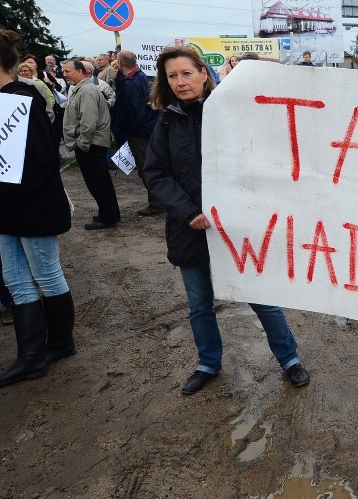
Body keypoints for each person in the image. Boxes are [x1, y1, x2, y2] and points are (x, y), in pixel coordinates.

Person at [144, 45, 311, 395]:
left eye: (186, 73)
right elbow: (157, 174)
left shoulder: (234, 112)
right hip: (190, 228)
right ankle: (208, 363)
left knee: (261, 298)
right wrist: (188, 212)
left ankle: (289, 358)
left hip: (237, 228)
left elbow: (262, 162)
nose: (179, 81)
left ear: (204, 74)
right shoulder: (168, 120)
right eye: (172, 76)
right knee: (200, 305)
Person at [0, 29, 76, 387]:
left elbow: (42, 161)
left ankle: (60, 343)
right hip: (6, 209)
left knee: (46, 275)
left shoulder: (20, 100)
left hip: (33, 206)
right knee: (16, 281)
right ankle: (31, 357)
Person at [62, 59, 121, 230]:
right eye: (63, 71)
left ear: (80, 71)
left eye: (68, 71)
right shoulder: (82, 89)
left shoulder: (86, 91)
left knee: (97, 182)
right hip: (91, 144)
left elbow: (88, 122)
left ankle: (107, 217)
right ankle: (110, 213)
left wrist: (82, 144)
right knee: (101, 181)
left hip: (90, 145)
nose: (65, 74)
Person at [112, 50, 164, 216]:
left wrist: (129, 132)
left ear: (120, 64)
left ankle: (157, 203)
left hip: (140, 134)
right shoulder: (140, 76)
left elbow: (136, 113)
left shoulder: (132, 83)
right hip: (145, 131)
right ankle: (158, 201)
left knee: (146, 168)